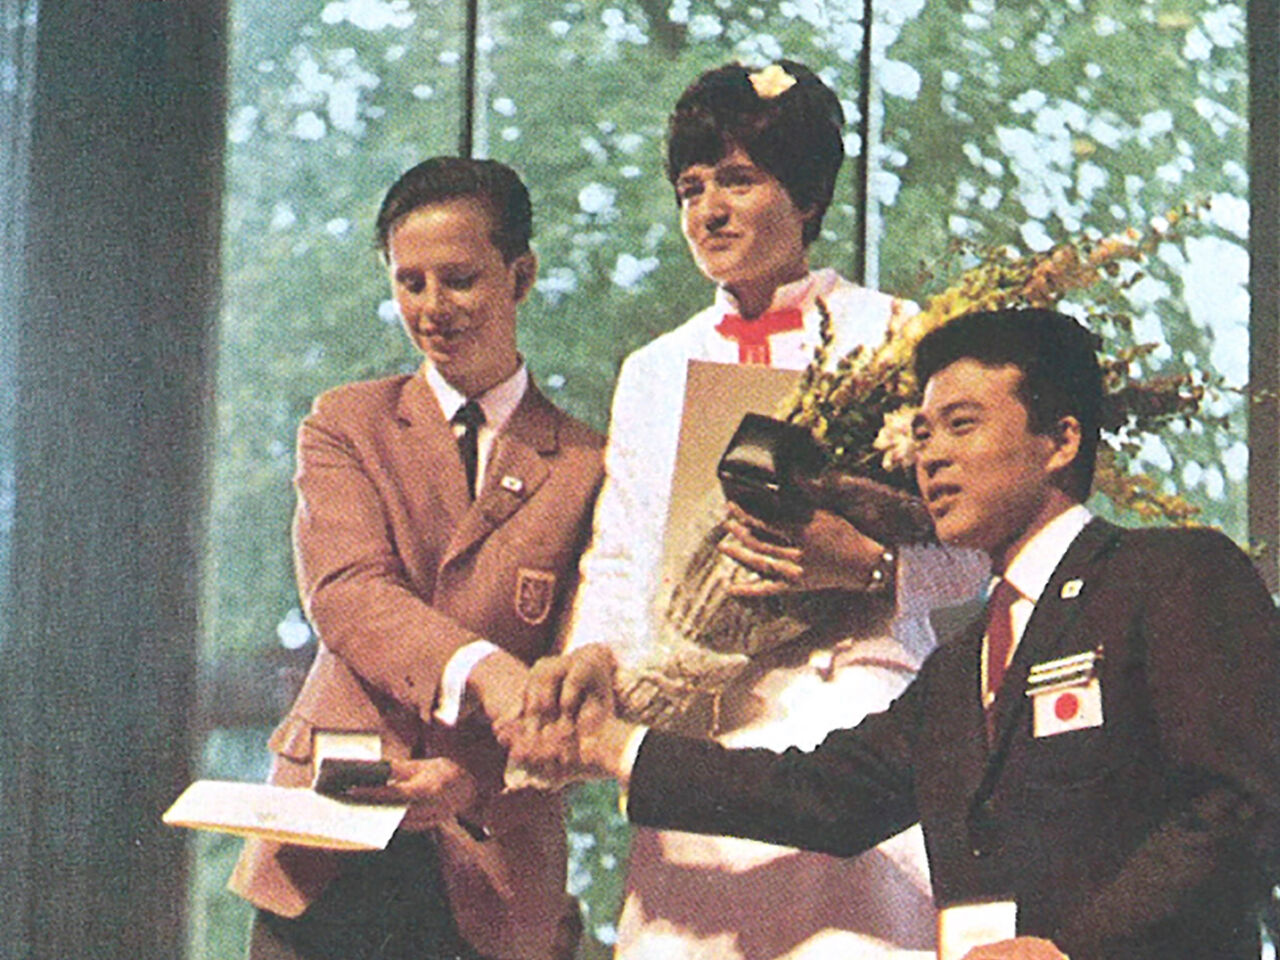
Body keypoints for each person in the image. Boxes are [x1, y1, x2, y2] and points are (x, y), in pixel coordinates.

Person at [513, 307, 1280, 960]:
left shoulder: (1173, 574)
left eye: (962, 424)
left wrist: (1070, 951)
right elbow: (820, 794)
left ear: (1063, 440)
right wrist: (612, 746)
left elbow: (1244, 803)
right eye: (921, 432)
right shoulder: (960, 665)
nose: (931, 455)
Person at [562, 60, 986, 959]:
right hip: (696, 736)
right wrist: (591, 664)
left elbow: (982, 559)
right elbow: (622, 558)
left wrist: (873, 570)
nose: (709, 209)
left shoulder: (901, 336)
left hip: (855, 726)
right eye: (692, 186)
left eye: (739, 179)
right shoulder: (654, 369)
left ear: (805, 192)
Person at [228, 157, 605, 960]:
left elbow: (584, 673)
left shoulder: (587, 464)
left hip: (494, 869)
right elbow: (350, 594)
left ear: (522, 274)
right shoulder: (345, 424)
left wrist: (475, 778)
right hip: (324, 861)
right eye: (411, 282)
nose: (433, 309)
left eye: (460, 279)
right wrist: (492, 674)